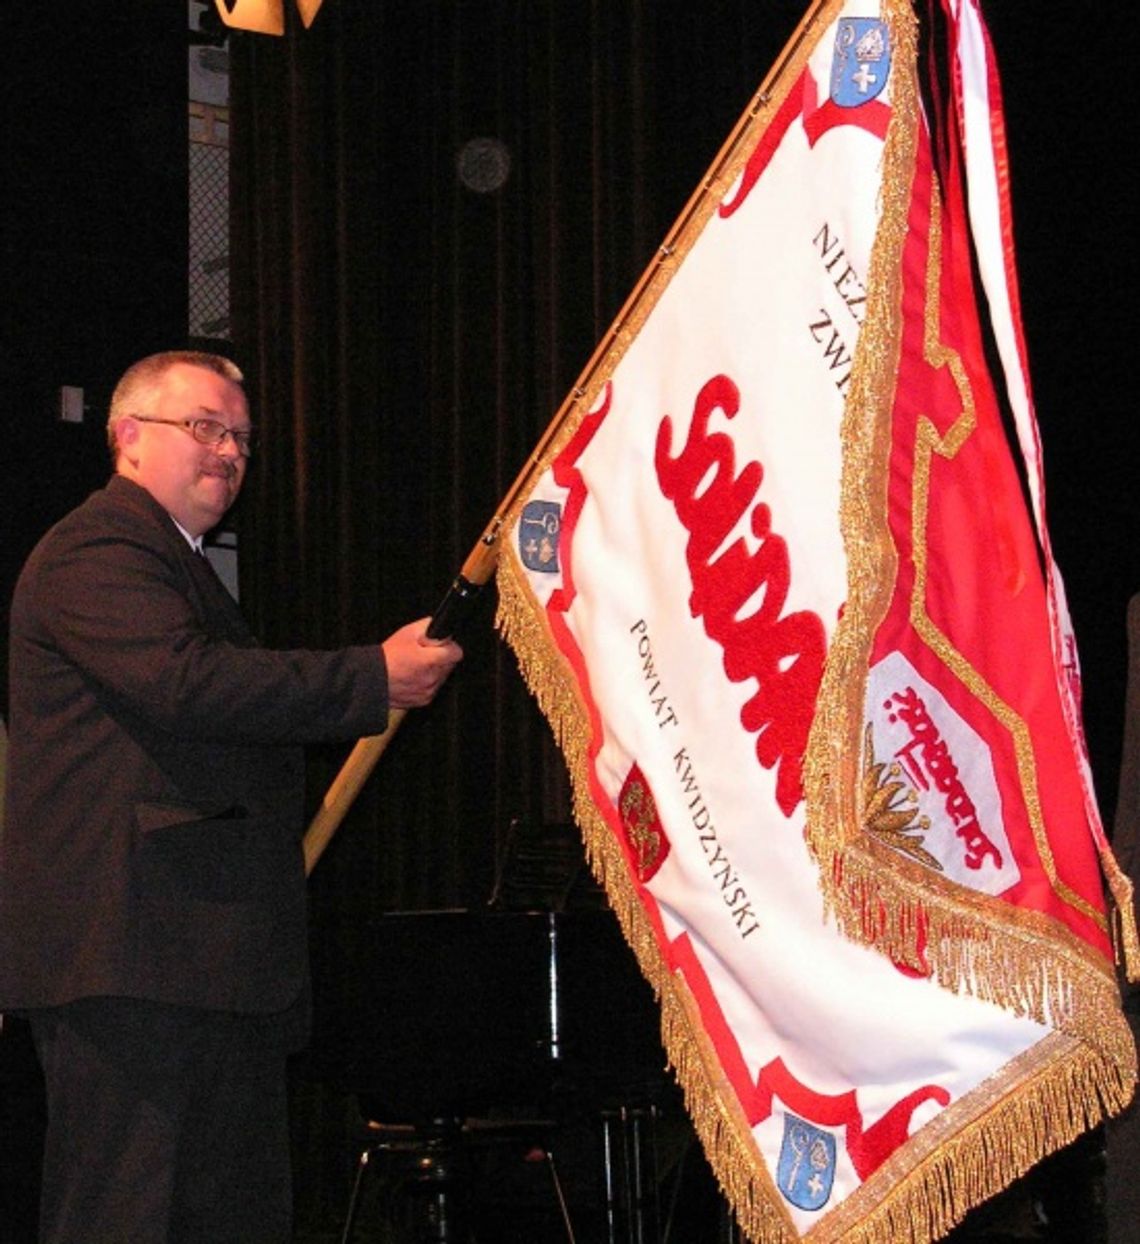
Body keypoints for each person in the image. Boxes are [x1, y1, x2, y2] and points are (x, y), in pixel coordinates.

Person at [0, 350, 463, 1244]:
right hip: (135, 958)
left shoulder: (175, 567)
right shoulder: (97, 549)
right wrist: (373, 677)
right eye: (205, 427)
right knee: (132, 1216)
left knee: (228, 1216)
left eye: (242, 437)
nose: (230, 453)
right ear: (128, 437)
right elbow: (190, 686)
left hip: (199, 962)